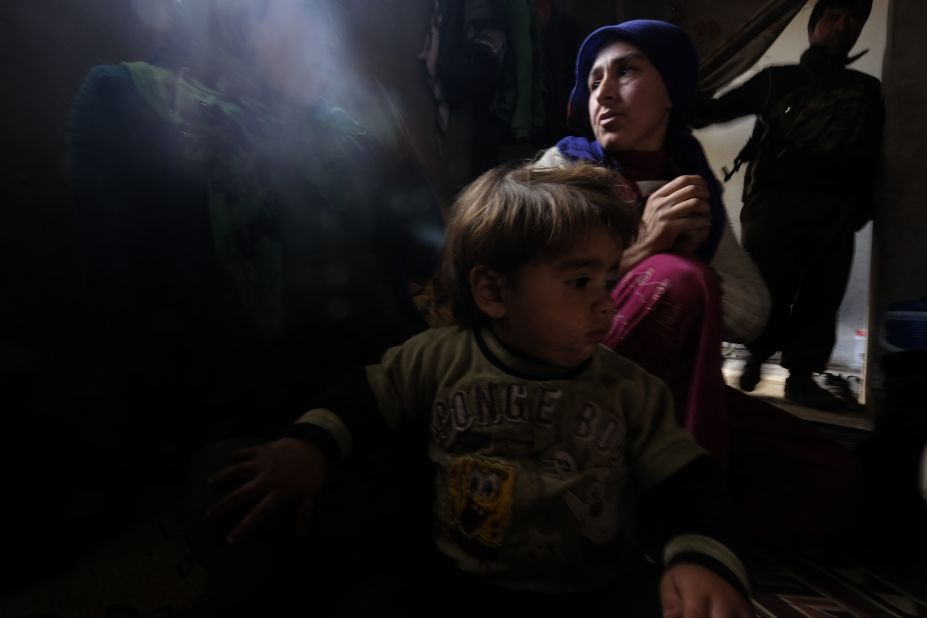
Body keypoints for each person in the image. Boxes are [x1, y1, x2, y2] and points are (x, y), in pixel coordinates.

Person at [195, 163, 754, 617]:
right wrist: (309, 445)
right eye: (579, 282)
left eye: (609, 280)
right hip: (457, 580)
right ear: (492, 290)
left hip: (593, 590)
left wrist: (701, 560)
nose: (606, 302)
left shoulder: (631, 390)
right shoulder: (439, 357)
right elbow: (365, 396)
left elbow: (687, 482)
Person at [70, 0, 445, 460]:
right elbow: (121, 313)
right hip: (240, 423)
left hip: (380, 386)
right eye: (309, 14)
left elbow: (424, 252)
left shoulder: (340, 123)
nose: (326, 33)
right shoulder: (129, 101)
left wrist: (391, 140)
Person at [534, 19, 770, 464]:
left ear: (670, 93)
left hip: (673, 392)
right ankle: (688, 482)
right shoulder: (562, 170)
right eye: (593, 80)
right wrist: (646, 249)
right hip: (568, 382)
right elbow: (531, 289)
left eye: (625, 72)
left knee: (836, 476)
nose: (601, 94)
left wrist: (690, 264)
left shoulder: (690, 189)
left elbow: (753, 311)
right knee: (678, 277)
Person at [694, 0, 883, 411]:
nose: (842, 25)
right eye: (833, 16)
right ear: (815, 25)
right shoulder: (776, 81)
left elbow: (876, 155)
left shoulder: (868, 91)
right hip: (774, 207)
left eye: (852, 18)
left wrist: (861, 209)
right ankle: (757, 357)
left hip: (837, 210)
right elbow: (710, 113)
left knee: (822, 294)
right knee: (767, 288)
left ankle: (801, 377)